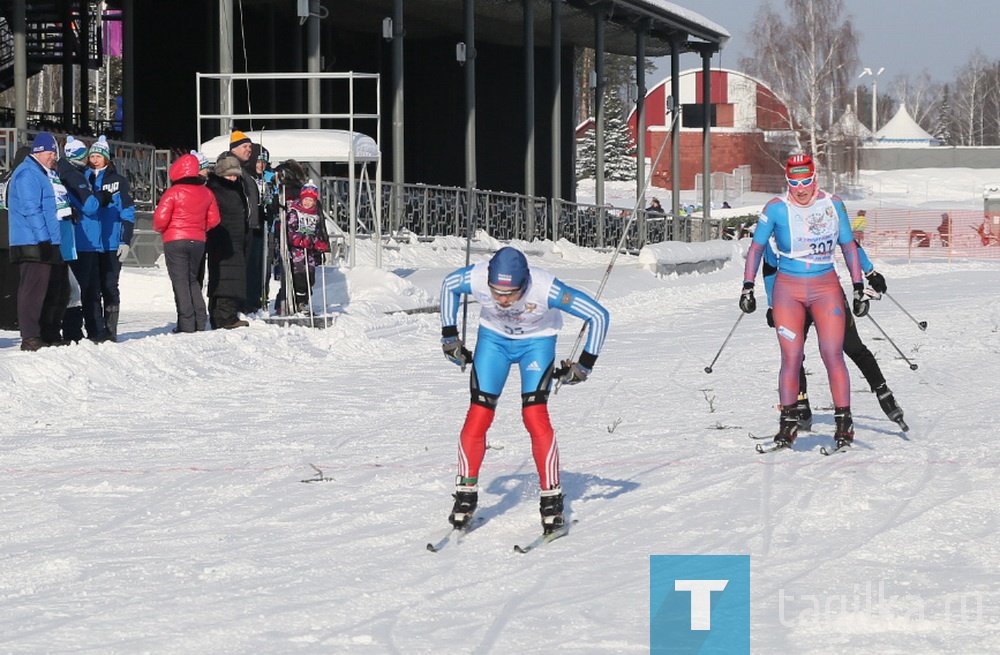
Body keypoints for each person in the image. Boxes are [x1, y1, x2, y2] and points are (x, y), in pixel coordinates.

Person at [438, 246, 610, 534]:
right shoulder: (478, 277)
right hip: (494, 341)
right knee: (478, 414)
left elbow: (598, 315)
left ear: (525, 283)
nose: (503, 300)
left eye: (511, 293)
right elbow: (448, 285)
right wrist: (449, 336)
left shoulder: (546, 289)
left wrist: (584, 365)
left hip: (536, 343)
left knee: (534, 416)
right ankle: (465, 493)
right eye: (495, 292)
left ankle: (551, 498)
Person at [740, 154, 866, 450]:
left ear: (815, 179)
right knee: (791, 356)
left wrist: (859, 286)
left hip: (826, 289)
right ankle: (787, 425)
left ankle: (844, 425)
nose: (800, 188)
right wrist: (748, 287)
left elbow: (848, 246)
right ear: (787, 182)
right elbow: (757, 248)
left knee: (832, 353)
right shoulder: (776, 209)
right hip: (788, 290)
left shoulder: (832, 205)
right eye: (794, 182)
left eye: (805, 181)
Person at [762, 240, 907, 432]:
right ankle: (801, 404)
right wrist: (773, 304)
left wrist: (870, 273)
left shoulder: (825, 213)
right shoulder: (775, 224)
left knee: (853, 347)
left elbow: (850, 245)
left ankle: (884, 394)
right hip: (791, 298)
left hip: (828, 294)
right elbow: (769, 266)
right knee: (793, 354)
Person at [6, 133, 64, 351]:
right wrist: (43, 239)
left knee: (47, 289)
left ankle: (43, 332)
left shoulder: (41, 173)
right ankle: (30, 336)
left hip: (43, 239)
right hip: (32, 241)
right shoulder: (27, 174)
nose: (53, 158)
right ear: (38, 151)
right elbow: (31, 208)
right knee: (32, 290)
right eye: (50, 153)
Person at [153, 153, 222, 333]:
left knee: (180, 281)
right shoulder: (207, 193)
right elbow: (214, 219)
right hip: (198, 240)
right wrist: (199, 228)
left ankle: (186, 323)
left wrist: (164, 229)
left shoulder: (173, 192)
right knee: (192, 280)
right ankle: (200, 320)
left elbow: (160, 219)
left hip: (175, 239)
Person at [58, 135, 108, 343]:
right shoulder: (75, 177)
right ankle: (77, 332)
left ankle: (89, 330)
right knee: (84, 289)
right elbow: (90, 206)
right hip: (82, 240)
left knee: (83, 289)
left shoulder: (65, 172)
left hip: (79, 239)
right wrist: (102, 197)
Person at [87, 135, 135, 342]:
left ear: (107, 158)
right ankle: (96, 328)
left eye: (99, 156)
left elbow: (128, 211)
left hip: (111, 242)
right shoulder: (84, 177)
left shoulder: (118, 181)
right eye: (92, 156)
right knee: (92, 286)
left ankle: (110, 329)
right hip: (90, 243)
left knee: (109, 284)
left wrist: (125, 240)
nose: (95, 160)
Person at [206, 154, 251, 329]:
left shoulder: (236, 188)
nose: (233, 178)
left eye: (235, 175)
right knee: (225, 279)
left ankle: (224, 315)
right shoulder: (215, 189)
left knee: (232, 278)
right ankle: (223, 317)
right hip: (222, 241)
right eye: (229, 175)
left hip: (236, 240)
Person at [285, 180, 329, 314]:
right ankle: (299, 302)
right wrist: (297, 239)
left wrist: (318, 243)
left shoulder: (315, 215)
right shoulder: (295, 212)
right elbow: (290, 229)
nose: (307, 203)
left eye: (311, 200)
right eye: (306, 199)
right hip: (298, 252)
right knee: (300, 278)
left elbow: (316, 232)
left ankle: (305, 301)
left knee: (310, 278)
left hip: (309, 252)